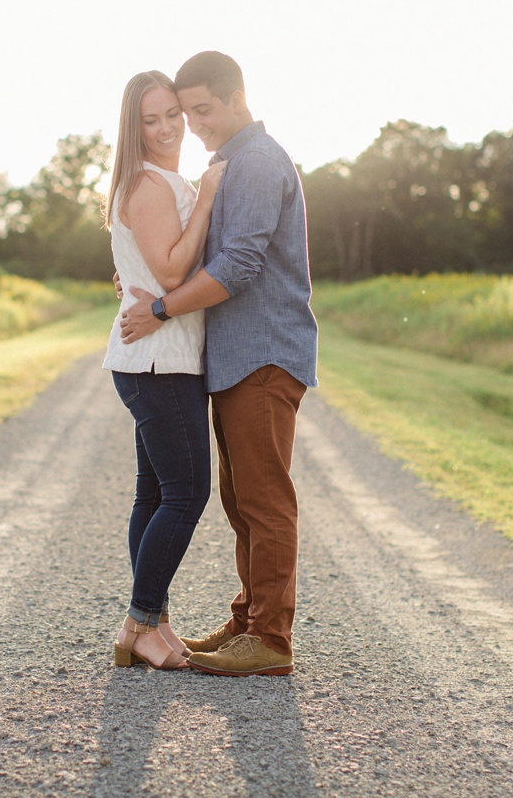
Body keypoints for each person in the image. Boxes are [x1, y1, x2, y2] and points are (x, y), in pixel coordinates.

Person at [119, 50, 317, 677]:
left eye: (201, 110)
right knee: (240, 497)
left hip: (262, 353)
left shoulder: (257, 161)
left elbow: (238, 265)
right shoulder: (226, 162)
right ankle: (249, 620)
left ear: (237, 98)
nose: (195, 124)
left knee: (263, 498)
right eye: (185, 112)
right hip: (233, 358)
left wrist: (164, 308)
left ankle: (271, 640)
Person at [103, 69, 228, 671]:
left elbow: (150, 268)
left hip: (153, 358)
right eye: (149, 121)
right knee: (186, 493)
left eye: (171, 116)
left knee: (154, 494)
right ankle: (138, 622)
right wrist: (206, 198)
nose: (164, 130)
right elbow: (174, 273)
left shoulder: (153, 181)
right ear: (133, 127)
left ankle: (156, 624)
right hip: (159, 362)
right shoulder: (153, 185)